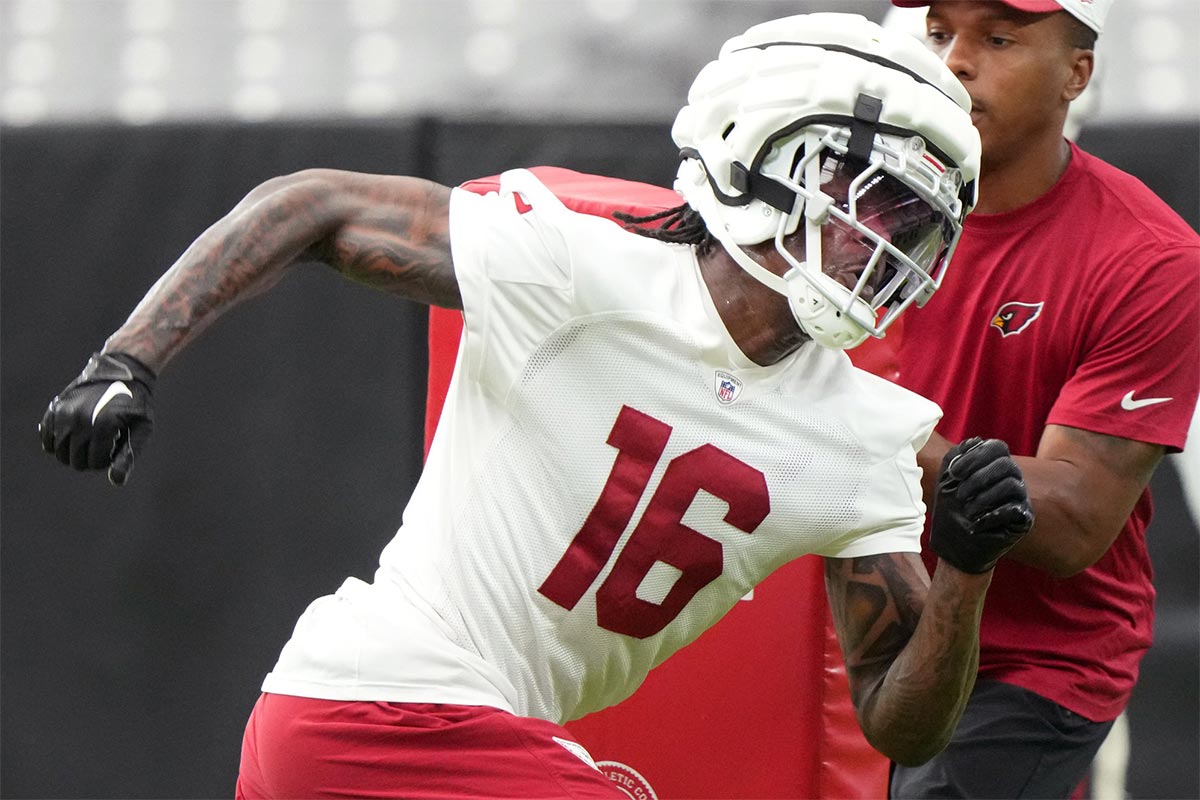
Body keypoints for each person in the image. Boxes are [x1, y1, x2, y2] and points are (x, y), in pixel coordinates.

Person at [38, 13, 1034, 799]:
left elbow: (902, 725)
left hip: (472, 737)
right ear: (754, 148)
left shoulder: (863, 433)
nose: (885, 237)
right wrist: (126, 359)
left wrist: (966, 575)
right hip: (378, 706)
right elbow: (314, 202)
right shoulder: (578, 264)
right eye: (867, 193)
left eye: (912, 217)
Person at [882, 1, 1200, 798]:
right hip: (863, 623)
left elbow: (1071, 520)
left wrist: (850, 431)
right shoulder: (858, 208)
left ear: (1076, 74)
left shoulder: (1150, 258)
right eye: (939, 33)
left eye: (996, 38)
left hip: (1031, 663)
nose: (954, 61)